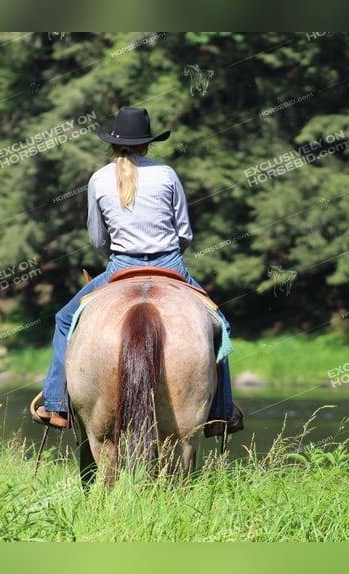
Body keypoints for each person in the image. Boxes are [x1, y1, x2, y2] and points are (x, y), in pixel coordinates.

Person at [33, 106, 243, 437]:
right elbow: (184, 232)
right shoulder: (167, 174)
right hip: (170, 263)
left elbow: (98, 238)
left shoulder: (99, 178)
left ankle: (55, 402)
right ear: (147, 144)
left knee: (63, 319)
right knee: (220, 325)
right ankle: (221, 412)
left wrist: (118, 254)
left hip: (121, 265)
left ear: (113, 144)